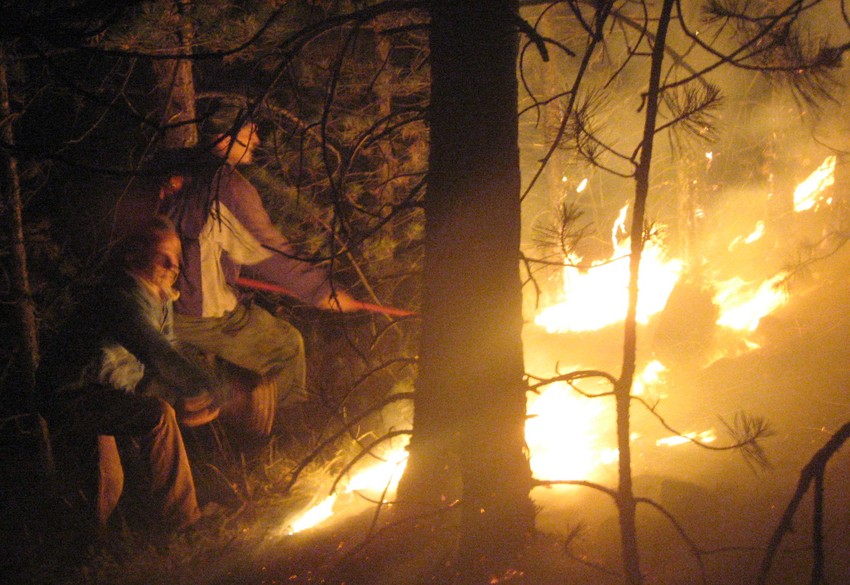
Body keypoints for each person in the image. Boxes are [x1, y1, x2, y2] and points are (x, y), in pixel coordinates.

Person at [158, 113, 360, 439]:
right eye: (250, 132)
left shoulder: (183, 170)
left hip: (162, 304)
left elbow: (225, 244)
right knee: (286, 347)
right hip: (200, 313)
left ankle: (227, 416)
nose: (257, 140)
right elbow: (267, 252)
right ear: (224, 138)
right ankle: (280, 439)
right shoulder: (226, 187)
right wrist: (323, 291)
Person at [38, 215, 217, 532]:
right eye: (162, 255)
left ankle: (93, 552)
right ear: (135, 255)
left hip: (106, 390)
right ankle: (186, 524)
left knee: (108, 482)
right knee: (157, 416)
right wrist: (209, 387)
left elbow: (158, 364)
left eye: (176, 257)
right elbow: (157, 353)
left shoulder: (159, 300)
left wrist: (183, 396)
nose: (172, 264)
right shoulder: (120, 297)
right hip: (72, 393)